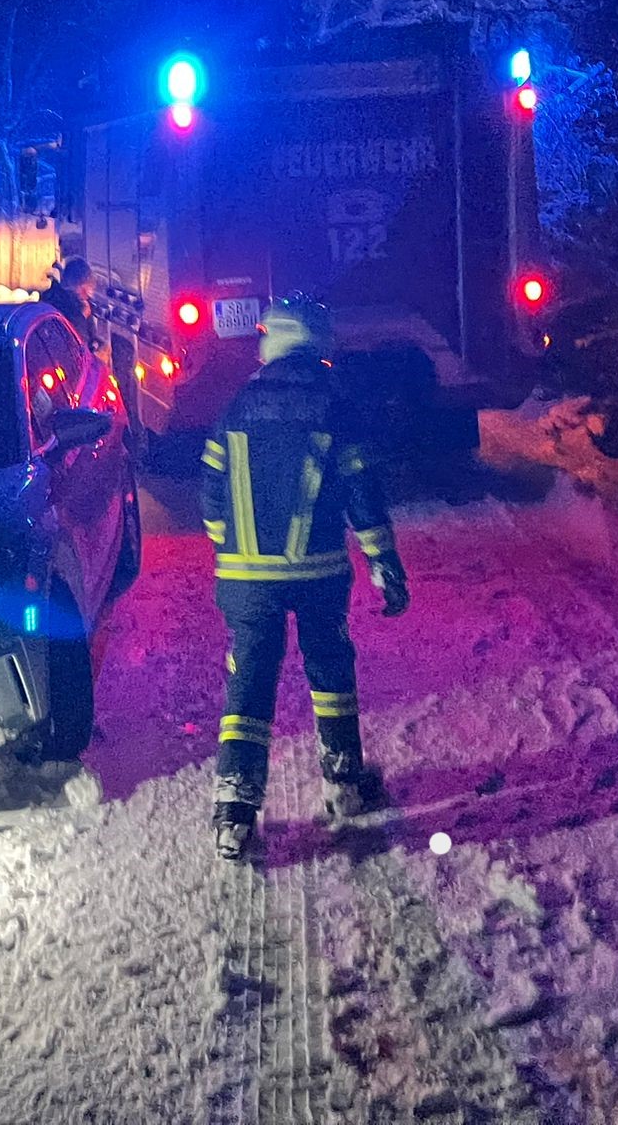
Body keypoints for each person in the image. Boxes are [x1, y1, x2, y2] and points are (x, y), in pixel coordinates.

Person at [200, 293, 410, 861]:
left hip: (245, 579)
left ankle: (234, 810)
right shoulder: (335, 404)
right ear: (317, 343)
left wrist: (231, 548)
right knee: (329, 667)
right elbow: (362, 493)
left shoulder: (238, 404)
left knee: (249, 682)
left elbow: (212, 492)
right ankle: (343, 779)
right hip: (318, 573)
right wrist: (383, 564)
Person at [39, 254, 95, 336]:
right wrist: (82, 317)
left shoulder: (82, 303)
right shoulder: (57, 302)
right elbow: (69, 339)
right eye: (83, 288)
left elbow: (91, 336)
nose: (88, 294)